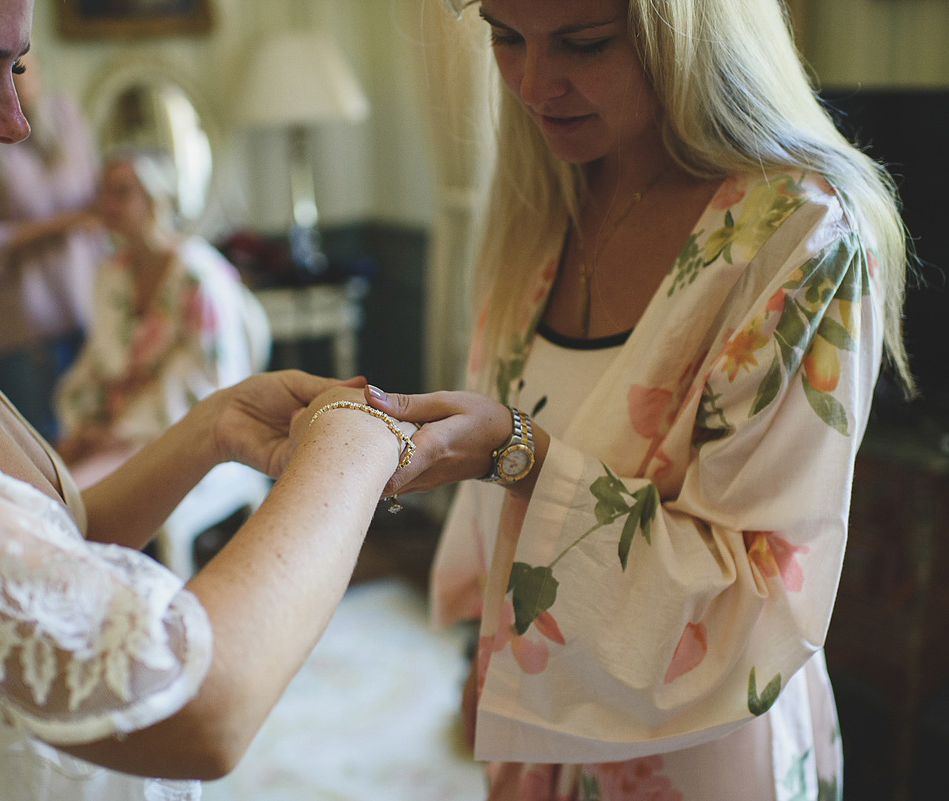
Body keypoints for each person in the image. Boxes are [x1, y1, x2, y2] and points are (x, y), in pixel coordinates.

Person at [0, 1, 414, 800]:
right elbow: (196, 709)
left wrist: (211, 426)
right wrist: (357, 445)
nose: (14, 123)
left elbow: (58, 544)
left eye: (16, 71)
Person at [364, 0, 914, 799]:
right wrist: (486, 655)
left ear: (693, 30)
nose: (532, 84)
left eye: (583, 44)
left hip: (700, 751)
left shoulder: (802, 238)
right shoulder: (541, 196)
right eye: (504, 36)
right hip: (539, 724)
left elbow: (750, 596)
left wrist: (514, 452)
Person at [54, 148, 271, 490]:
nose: (107, 203)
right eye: (103, 192)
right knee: (39, 479)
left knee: (70, 498)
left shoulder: (197, 275)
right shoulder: (111, 274)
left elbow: (207, 378)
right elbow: (99, 361)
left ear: (157, 196)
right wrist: (85, 427)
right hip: (118, 425)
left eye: (122, 191)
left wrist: (121, 433)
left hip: (181, 432)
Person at [0, 50, 106, 441]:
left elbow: (97, 205)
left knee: (94, 444)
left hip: (84, 313)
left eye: (19, 66)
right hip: (19, 333)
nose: (14, 79)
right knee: (40, 455)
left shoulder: (67, 117)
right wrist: (66, 223)